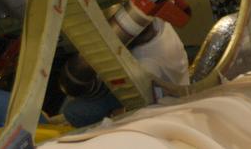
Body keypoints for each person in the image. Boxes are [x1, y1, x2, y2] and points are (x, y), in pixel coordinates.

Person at [60, 18, 189, 127]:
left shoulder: (147, 65)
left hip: (157, 97)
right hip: (167, 81)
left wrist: (116, 114)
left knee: (73, 112)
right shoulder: (159, 24)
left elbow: (144, 104)